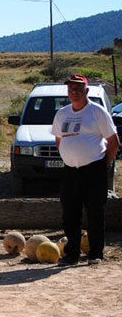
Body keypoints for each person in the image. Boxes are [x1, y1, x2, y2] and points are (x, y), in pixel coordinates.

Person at [51, 74, 119, 266]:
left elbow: (114, 142)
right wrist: (70, 155)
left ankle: (95, 253)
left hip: (94, 170)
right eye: (70, 89)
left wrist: (102, 164)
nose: (74, 92)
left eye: (78, 89)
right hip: (70, 170)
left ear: (86, 91)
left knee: (95, 212)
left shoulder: (97, 112)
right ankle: (72, 254)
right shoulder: (62, 113)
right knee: (70, 213)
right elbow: (58, 140)